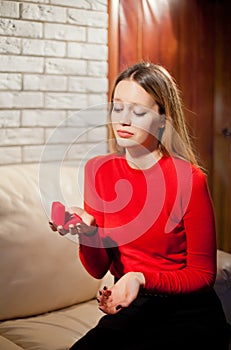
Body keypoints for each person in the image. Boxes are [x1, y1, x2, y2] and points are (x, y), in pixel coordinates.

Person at [49, 62, 231, 349]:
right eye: (117, 107)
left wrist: (139, 278)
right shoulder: (99, 170)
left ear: (162, 119)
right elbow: (98, 270)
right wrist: (87, 231)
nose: (123, 119)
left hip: (187, 313)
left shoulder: (189, 179)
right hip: (131, 306)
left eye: (138, 111)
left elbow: (202, 275)